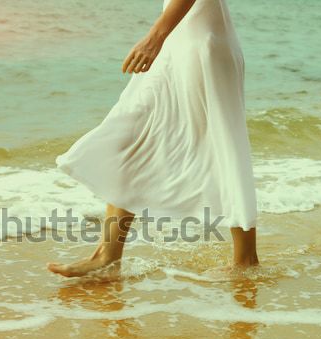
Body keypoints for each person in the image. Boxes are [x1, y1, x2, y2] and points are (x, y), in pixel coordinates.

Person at [47, 0, 259, 278]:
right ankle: (108, 256)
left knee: (224, 148)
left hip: (201, 47)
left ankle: (246, 259)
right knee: (131, 138)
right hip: (178, 47)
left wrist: (154, 37)